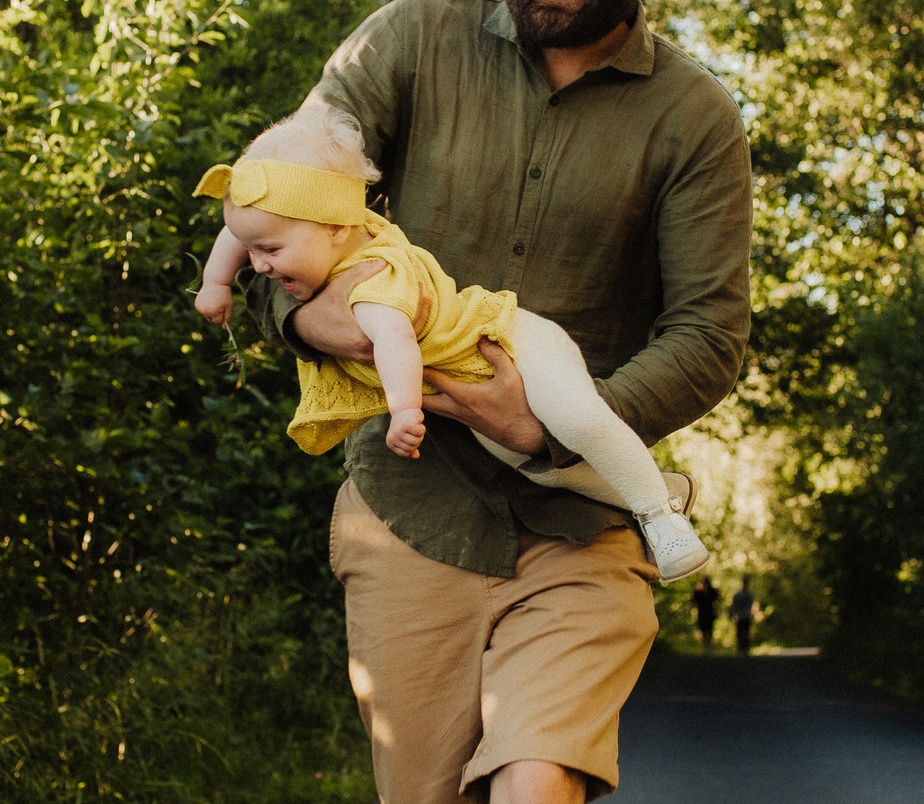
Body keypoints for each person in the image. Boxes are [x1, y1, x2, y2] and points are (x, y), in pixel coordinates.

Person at [234, 0, 750, 804]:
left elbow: (709, 333)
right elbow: (294, 189)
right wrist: (304, 321)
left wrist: (555, 416)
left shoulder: (693, 116)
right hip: (409, 511)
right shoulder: (407, 38)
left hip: (580, 522)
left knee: (535, 797)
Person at [192, 101, 709, 578]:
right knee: (540, 464)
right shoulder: (329, 226)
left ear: (333, 227)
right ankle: (660, 489)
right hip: (474, 385)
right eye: (253, 248)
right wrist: (216, 283)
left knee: (577, 419)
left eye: (271, 250)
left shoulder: (373, 283)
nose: (257, 265)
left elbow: (392, 341)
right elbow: (238, 231)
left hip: (512, 340)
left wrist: (403, 411)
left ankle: (660, 518)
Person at [691, 575, 720, 652]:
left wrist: (716, 611)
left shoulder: (712, 591)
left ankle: (709, 648)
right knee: (703, 631)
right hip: (702, 614)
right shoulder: (698, 592)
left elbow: (717, 601)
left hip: (709, 614)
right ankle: (704, 648)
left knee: (709, 631)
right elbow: (693, 601)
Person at [728, 582, 757, 655]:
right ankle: (742, 649)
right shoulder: (740, 595)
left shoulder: (748, 594)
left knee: (744, 633)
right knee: (741, 633)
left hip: (744, 616)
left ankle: (744, 649)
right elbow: (734, 605)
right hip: (741, 617)